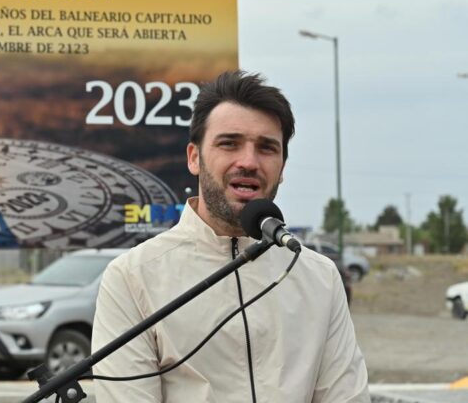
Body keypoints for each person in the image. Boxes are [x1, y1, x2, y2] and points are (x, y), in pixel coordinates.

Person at [92, 71, 369, 402]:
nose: (249, 162)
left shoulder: (319, 278)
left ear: (282, 168)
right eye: (229, 143)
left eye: (267, 148)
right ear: (194, 157)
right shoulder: (133, 277)